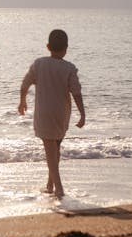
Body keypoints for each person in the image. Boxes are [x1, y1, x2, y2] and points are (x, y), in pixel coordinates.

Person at [18, 29, 85, 199]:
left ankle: (59, 189)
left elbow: (25, 84)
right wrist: (82, 114)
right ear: (66, 48)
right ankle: (50, 184)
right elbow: (76, 93)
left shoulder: (39, 64)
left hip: (45, 113)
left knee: (50, 152)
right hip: (62, 114)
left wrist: (22, 101)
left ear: (48, 46)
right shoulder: (69, 68)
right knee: (55, 149)